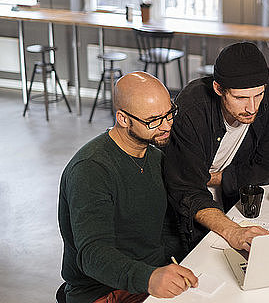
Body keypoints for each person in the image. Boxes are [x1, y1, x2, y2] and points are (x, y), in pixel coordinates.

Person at [58, 72, 198, 303]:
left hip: (150, 277)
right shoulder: (91, 169)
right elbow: (92, 254)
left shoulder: (156, 156)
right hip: (102, 291)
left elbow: (166, 229)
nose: (166, 127)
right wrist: (149, 278)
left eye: (169, 114)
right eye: (153, 120)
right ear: (123, 119)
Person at [163, 42, 269, 250]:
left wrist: (218, 178)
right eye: (240, 98)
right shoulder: (192, 108)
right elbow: (187, 190)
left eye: (258, 95)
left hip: (236, 195)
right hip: (188, 202)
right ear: (218, 89)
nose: (252, 108)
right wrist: (232, 230)